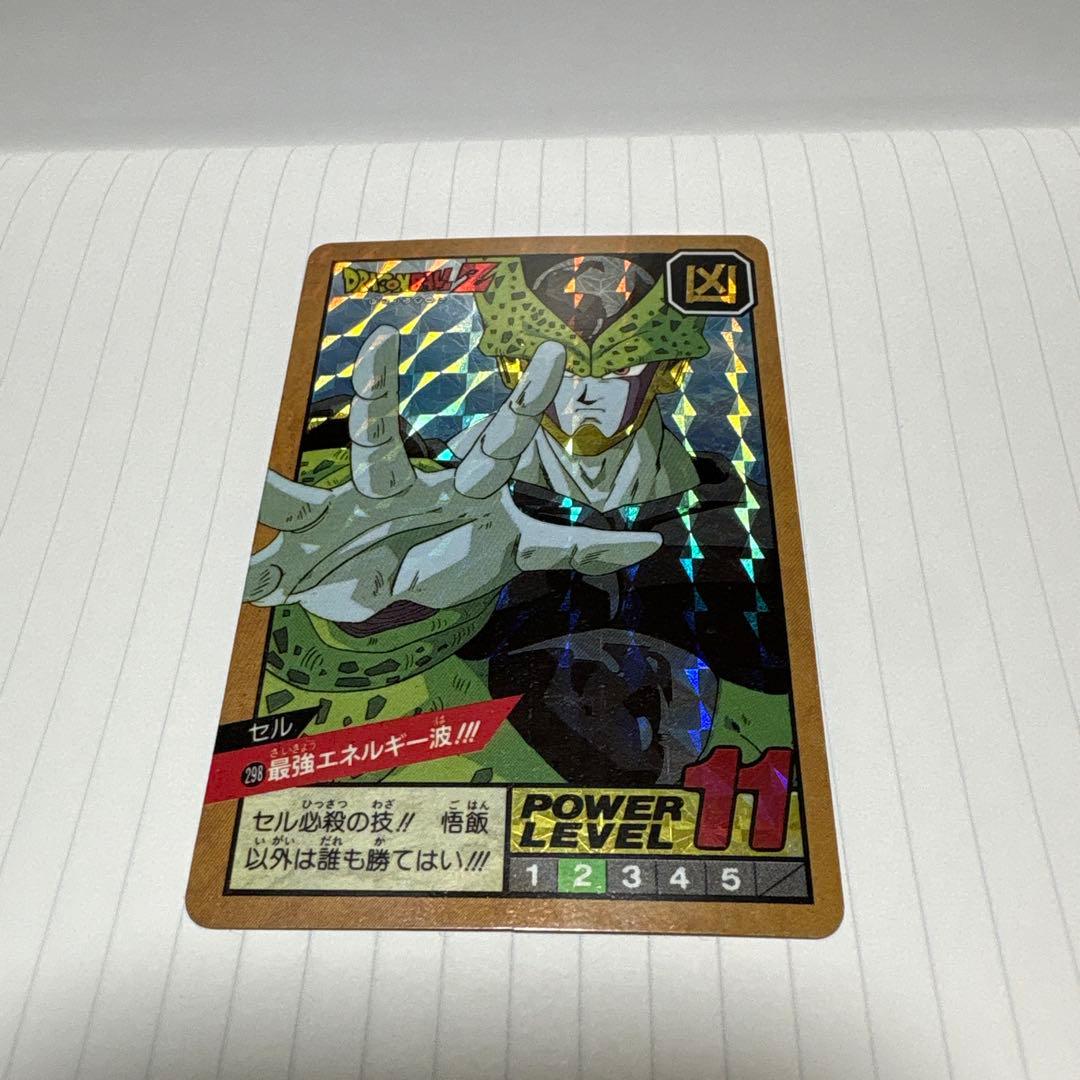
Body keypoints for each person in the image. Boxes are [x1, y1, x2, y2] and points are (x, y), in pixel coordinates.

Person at [245, 254, 792, 785]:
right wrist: (368, 611)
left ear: (667, 372)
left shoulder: (741, 518)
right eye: (559, 371)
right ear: (514, 367)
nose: (585, 394)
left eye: (619, 370)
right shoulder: (430, 498)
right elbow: (320, 681)